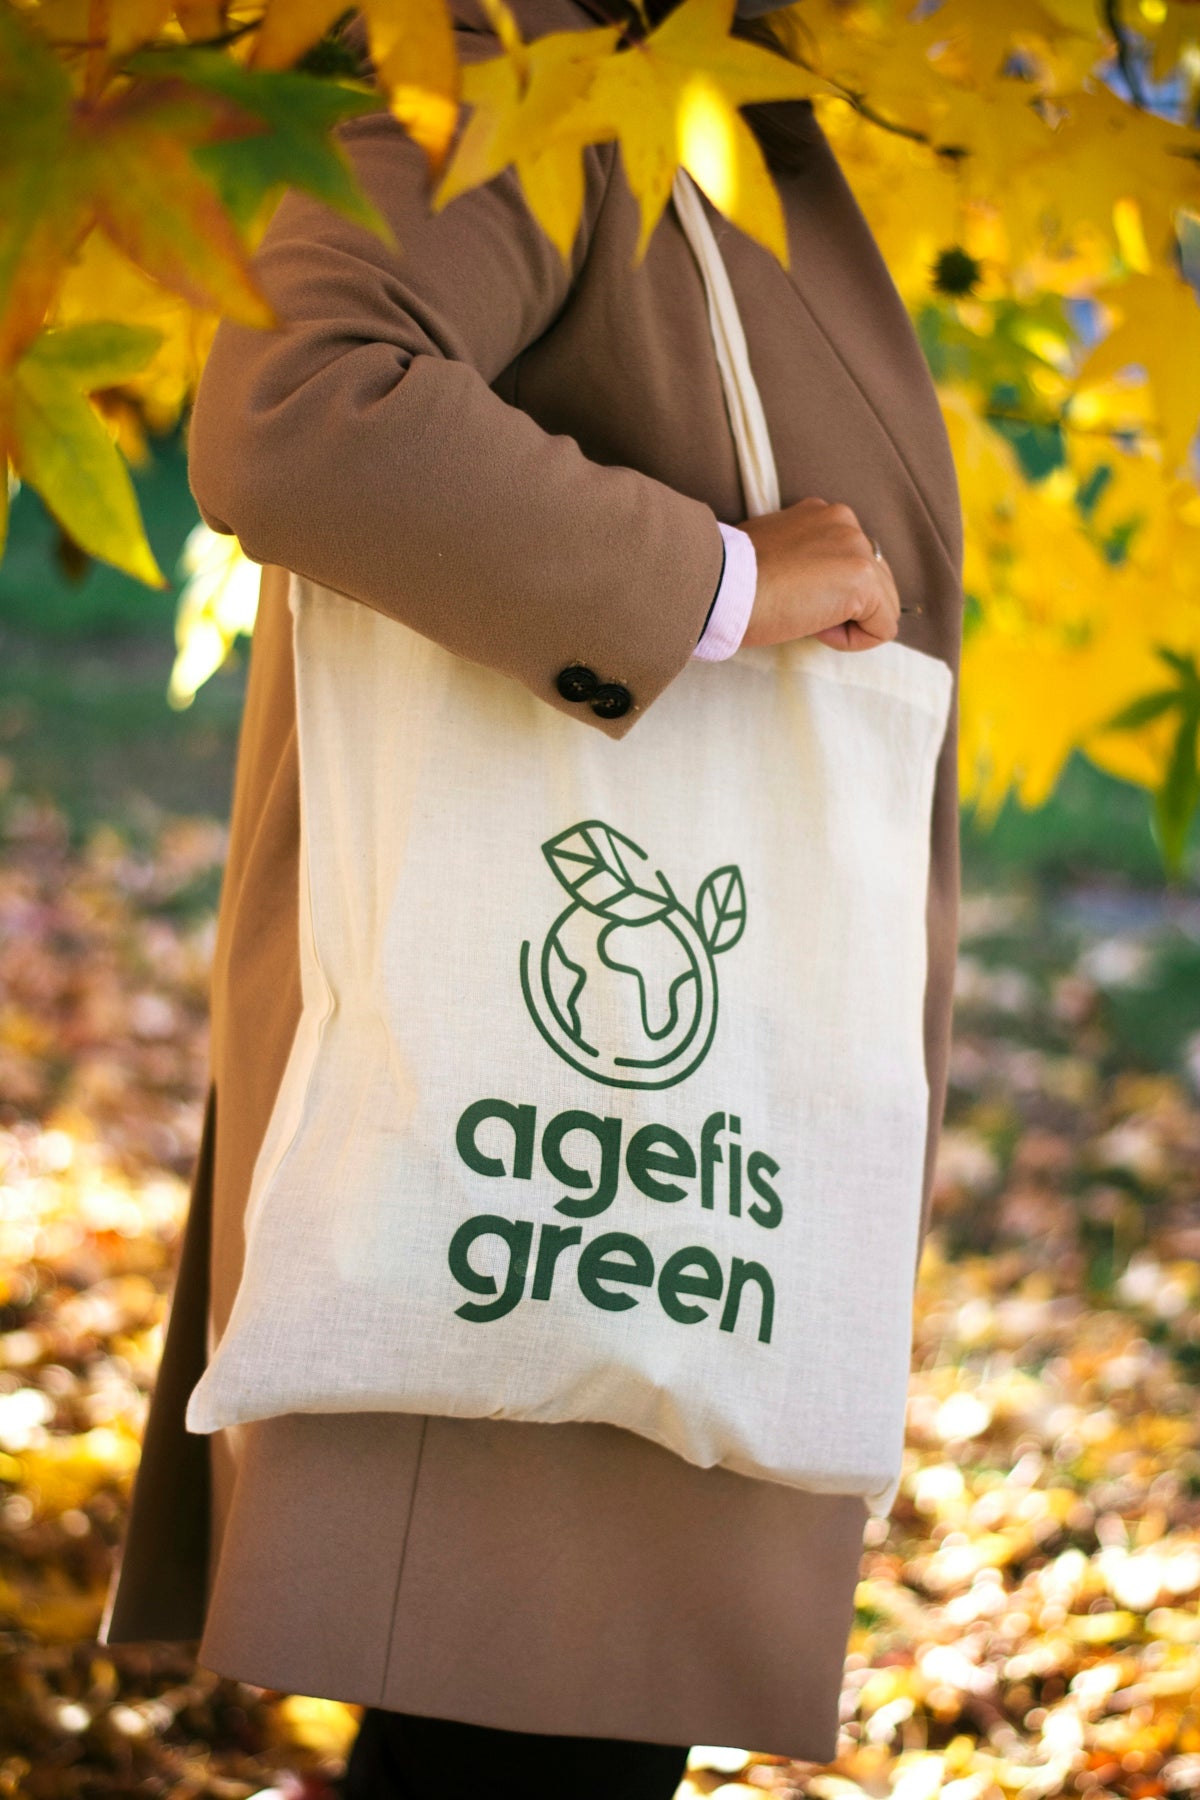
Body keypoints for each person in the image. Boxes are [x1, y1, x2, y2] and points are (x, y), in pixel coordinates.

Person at [99, 0, 964, 1793]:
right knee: (516, 1752)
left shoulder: (697, 82)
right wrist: (715, 584)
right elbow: (302, 404)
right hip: (547, 1116)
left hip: (658, 1129)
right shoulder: (522, 54)